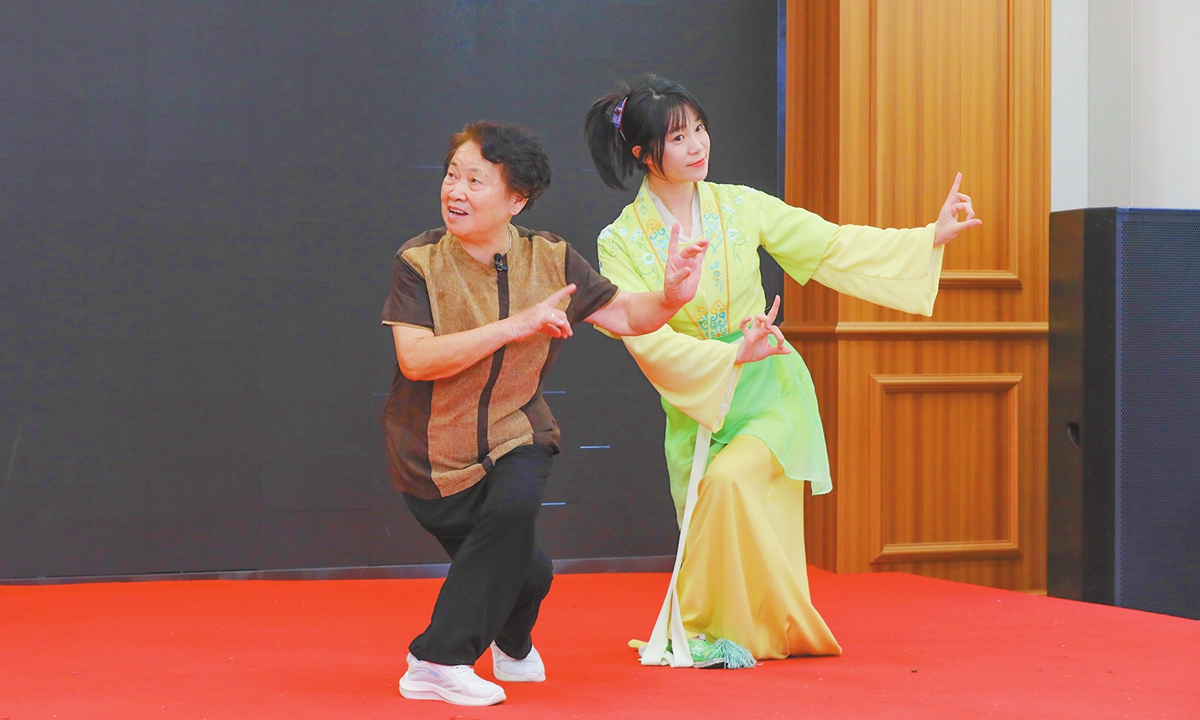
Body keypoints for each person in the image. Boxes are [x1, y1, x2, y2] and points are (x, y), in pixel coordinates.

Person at [584, 74, 981, 667]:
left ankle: (735, 629)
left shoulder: (740, 206)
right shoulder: (619, 240)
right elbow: (644, 338)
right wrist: (726, 356)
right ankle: (728, 632)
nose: (698, 145)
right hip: (696, 399)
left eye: (699, 129)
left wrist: (928, 238)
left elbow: (830, 245)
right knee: (706, 510)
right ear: (643, 153)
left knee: (728, 484)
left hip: (769, 383)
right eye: (678, 137)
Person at [381, 120, 708, 706]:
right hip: (430, 452)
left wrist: (670, 296)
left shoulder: (551, 257)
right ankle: (511, 644)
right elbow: (417, 359)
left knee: (514, 506)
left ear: (517, 199)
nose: (456, 190)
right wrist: (516, 325)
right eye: (452, 176)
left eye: (476, 180)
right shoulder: (419, 261)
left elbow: (626, 316)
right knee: (529, 571)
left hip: (516, 428)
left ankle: (436, 660)